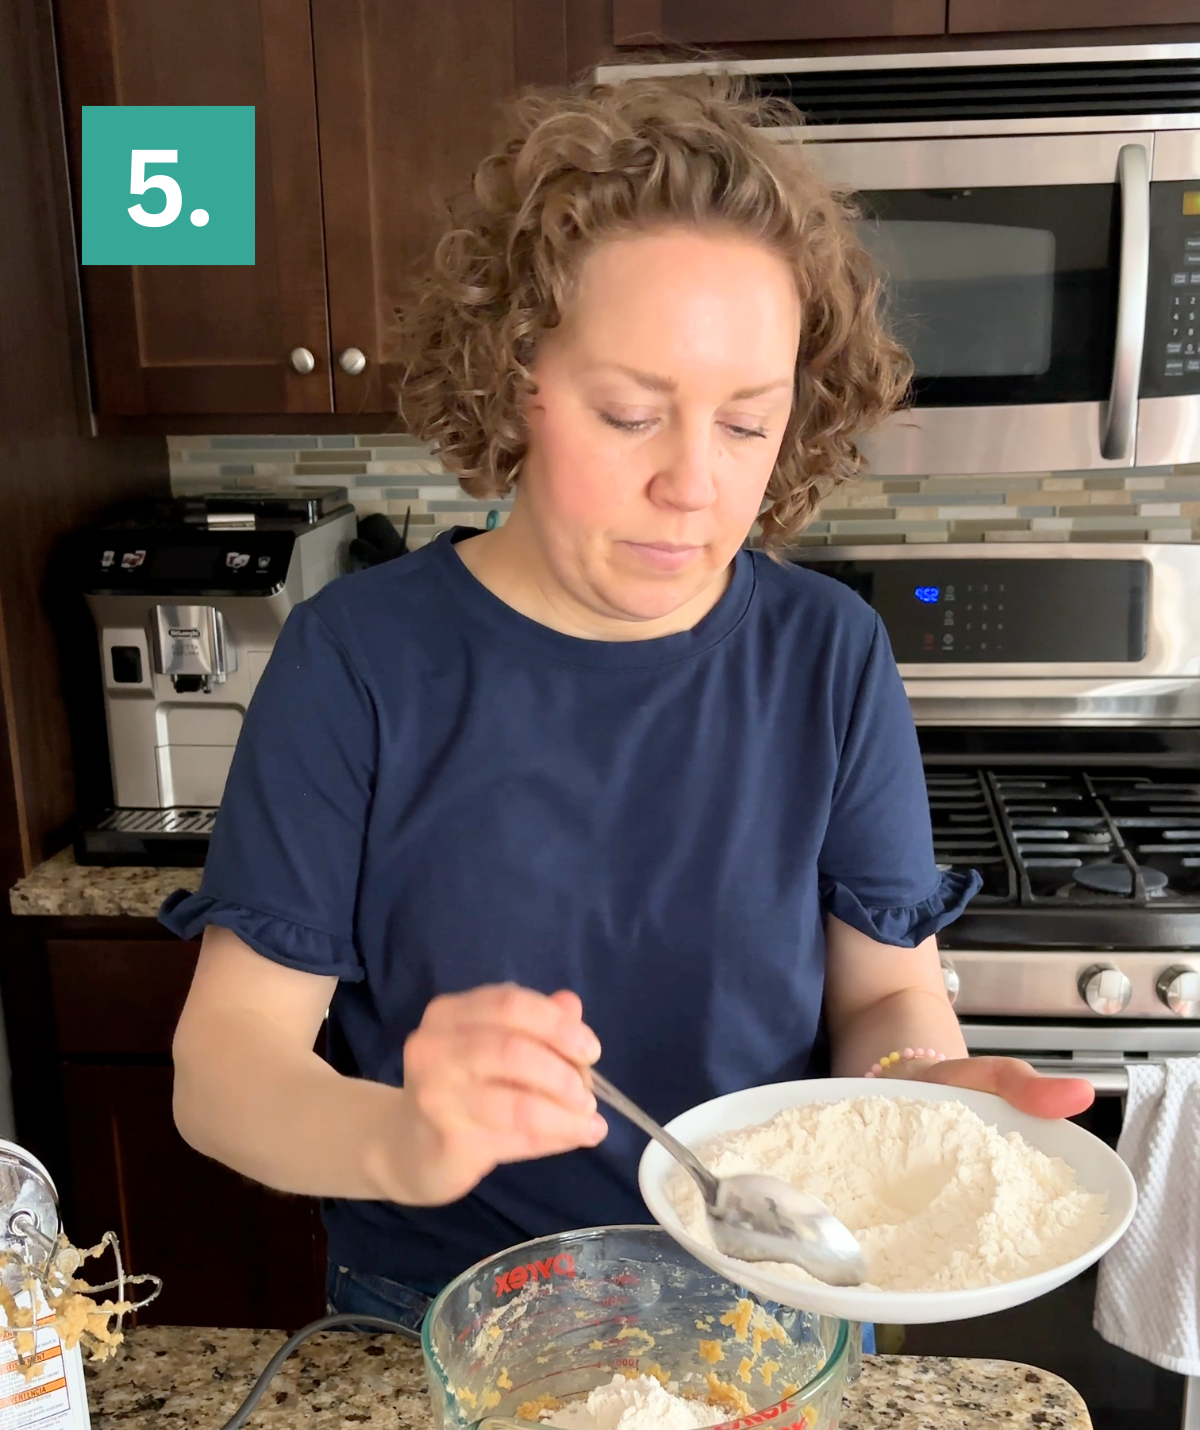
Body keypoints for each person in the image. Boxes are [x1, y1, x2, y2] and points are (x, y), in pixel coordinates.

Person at [160, 72, 1095, 1348]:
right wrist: (403, 1135)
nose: (695, 487)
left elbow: (882, 1001)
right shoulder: (358, 664)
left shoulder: (831, 654)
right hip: (444, 1317)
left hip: (777, 1301)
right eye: (630, 414)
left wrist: (929, 1095)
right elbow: (224, 1070)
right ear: (513, 382)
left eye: (749, 422)